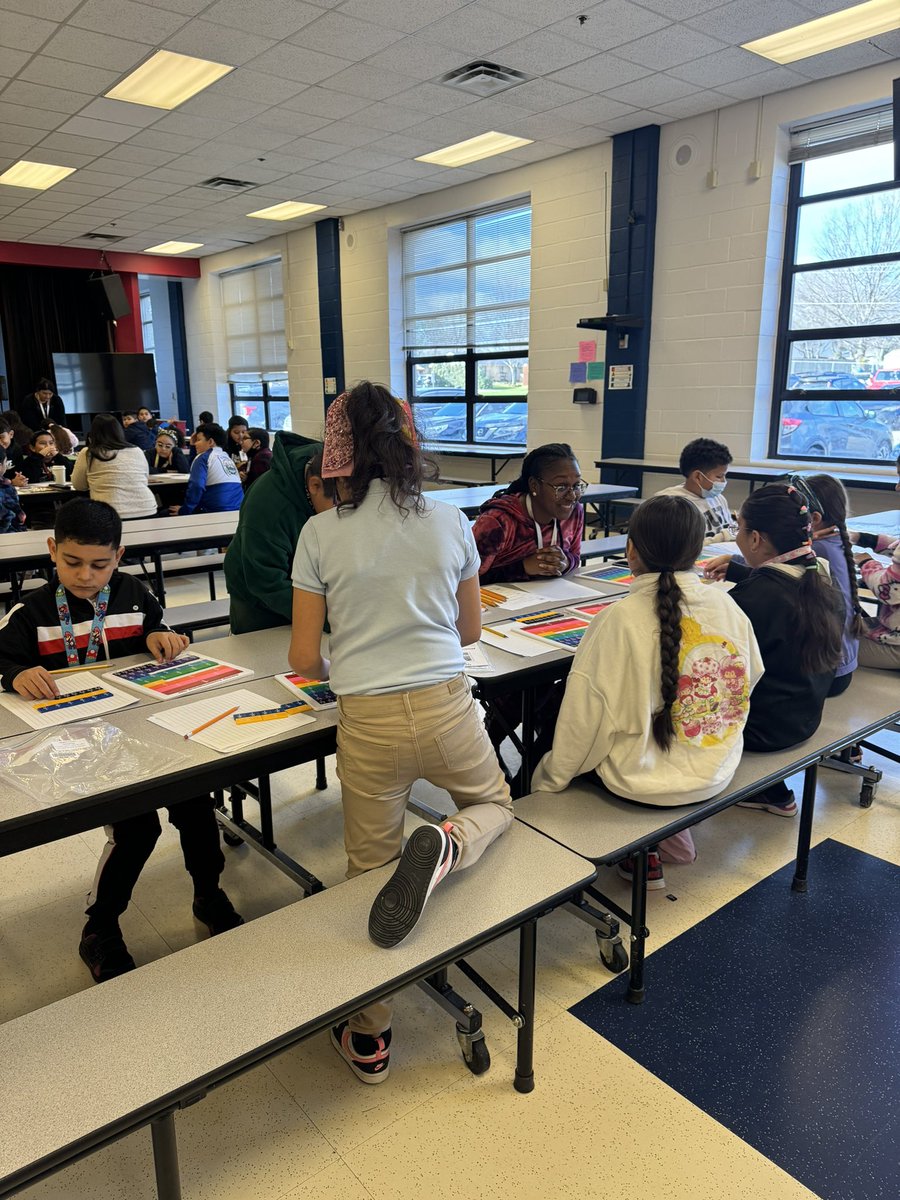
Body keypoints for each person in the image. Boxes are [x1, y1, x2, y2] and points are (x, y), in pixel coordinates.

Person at [289, 383, 514, 1084]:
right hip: (448, 705)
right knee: (495, 806)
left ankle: (371, 1035)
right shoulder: (449, 520)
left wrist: (353, 651)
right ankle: (450, 843)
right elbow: (470, 630)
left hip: (368, 721)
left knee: (369, 873)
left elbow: (303, 660)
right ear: (408, 443)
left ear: (338, 454)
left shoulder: (320, 532)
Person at [0, 498, 243, 981]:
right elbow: (2, 660)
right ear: (52, 550)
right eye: (72, 562)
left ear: (119, 555)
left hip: (150, 730)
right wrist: (17, 672)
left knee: (197, 808)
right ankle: (101, 927)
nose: (86, 575)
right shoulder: (32, 612)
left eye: (100, 563)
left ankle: (208, 892)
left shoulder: (134, 593)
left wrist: (164, 638)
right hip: (84, 744)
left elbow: (159, 629)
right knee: (138, 830)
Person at [532, 495, 763, 889]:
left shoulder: (616, 620)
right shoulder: (728, 607)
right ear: (697, 551)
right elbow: (749, 678)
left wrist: (548, 782)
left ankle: (642, 850)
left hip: (639, 784)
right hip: (715, 771)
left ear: (631, 549)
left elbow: (583, 723)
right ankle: (667, 842)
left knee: (549, 741)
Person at [721, 484, 844, 815]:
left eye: (739, 528)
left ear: (756, 539)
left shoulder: (749, 601)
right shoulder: (822, 581)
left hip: (761, 732)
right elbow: (780, 590)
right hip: (803, 719)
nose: (737, 538)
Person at [224, 434, 329, 634]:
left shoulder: (336, 474)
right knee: (267, 660)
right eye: (337, 504)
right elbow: (267, 582)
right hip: (259, 602)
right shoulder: (268, 505)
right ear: (315, 486)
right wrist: (325, 618)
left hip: (311, 592)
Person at [472, 443, 586, 582]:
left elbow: (575, 557)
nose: (572, 496)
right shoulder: (498, 521)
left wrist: (566, 562)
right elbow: (466, 579)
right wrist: (523, 568)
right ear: (534, 486)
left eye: (576, 486)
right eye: (561, 487)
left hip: (549, 597)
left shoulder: (574, 512)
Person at [852, 456, 900, 669]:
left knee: (824, 647)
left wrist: (865, 562)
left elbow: (887, 589)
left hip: (895, 643)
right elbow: (895, 546)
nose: (897, 487)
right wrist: (862, 538)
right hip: (892, 630)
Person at [71, 414, 157, 520]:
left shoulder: (88, 453)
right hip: (147, 508)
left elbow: (78, 485)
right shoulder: (137, 450)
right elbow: (145, 478)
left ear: (94, 433)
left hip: (110, 512)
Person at [655, 438, 739, 543]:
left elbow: (732, 529)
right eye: (719, 476)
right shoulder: (672, 505)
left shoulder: (718, 498)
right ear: (698, 476)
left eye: (724, 475)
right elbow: (682, 548)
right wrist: (724, 536)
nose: (724, 481)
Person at [173, 422, 243, 516]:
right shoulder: (226, 457)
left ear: (210, 442)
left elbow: (196, 486)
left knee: (167, 512)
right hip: (239, 510)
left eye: (198, 440)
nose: (195, 444)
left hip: (215, 512)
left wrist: (185, 510)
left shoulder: (203, 457)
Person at [0, 418, 27, 486]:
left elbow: (20, 472)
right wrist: (11, 483)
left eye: (2, 437)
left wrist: (20, 479)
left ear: (11, 434)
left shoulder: (16, 449)